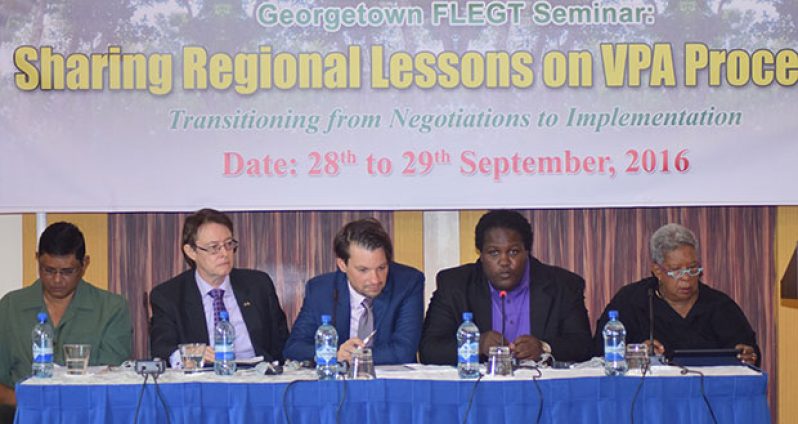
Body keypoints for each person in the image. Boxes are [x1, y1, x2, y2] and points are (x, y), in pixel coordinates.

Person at [419, 210, 592, 365]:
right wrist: (476, 345)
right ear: (480, 253)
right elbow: (429, 350)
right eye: (494, 252)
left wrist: (544, 347)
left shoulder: (563, 285)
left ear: (527, 252)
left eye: (513, 252)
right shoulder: (455, 285)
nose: (504, 262)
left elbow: (584, 345)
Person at [0, 222, 132, 417]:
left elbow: (113, 382)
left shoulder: (111, 309)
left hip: (88, 415)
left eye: (67, 271)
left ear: (84, 264)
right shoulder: (11, 306)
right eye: (48, 270)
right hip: (22, 413)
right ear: (37, 260)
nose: (57, 280)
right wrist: (31, 403)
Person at [592, 223, 759, 365]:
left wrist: (746, 355)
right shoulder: (632, 301)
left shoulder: (719, 305)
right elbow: (599, 351)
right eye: (676, 271)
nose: (686, 278)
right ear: (657, 270)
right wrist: (635, 353)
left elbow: (748, 351)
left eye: (692, 268)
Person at [150, 208, 289, 366]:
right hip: (202, 382)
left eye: (228, 244)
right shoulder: (169, 296)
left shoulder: (258, 285)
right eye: (214, 247)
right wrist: (188, 355)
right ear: (191, 252)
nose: (224, 253)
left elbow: (282, 342)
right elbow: (161, 348)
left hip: (257, 377)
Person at [283, 218, 424, 365]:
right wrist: (335, 353)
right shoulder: (321, 290)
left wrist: (354, 356)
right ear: (342, 265)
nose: (375, 279)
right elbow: (294, 348)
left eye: (382, 268)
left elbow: (404, 351)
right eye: (363, 270)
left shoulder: (407, 283)